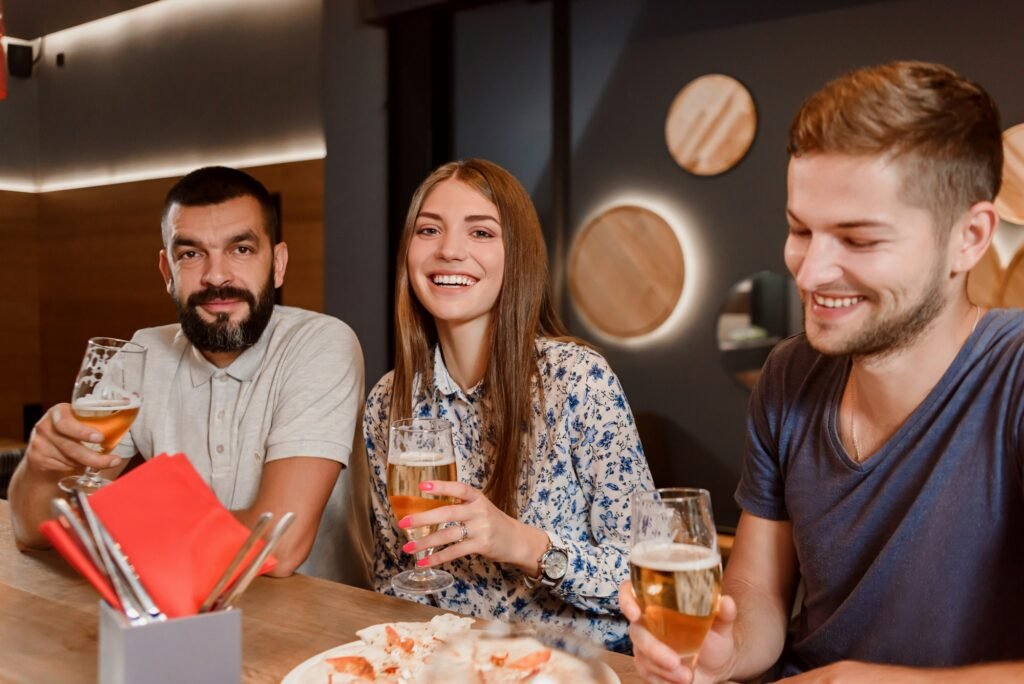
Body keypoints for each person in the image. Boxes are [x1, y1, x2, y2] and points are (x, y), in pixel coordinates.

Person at [622, 60, 1024, 682]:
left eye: (858, 241)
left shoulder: (1014, 375)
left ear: (969, 238)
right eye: (799, 230)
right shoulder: (788, 376)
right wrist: (724, 652)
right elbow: (757, 591)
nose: (808, 274)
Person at [9, 166, 371, 582]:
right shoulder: (139, 354)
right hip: (176, 609)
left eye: (241, 250)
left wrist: (114, 521)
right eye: (191, 254)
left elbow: (278, 546)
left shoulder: (321, 343)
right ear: (167, 272)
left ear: (278, 263)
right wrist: (39, 470)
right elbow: (35, 531)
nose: (216, 276)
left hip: (319, 627)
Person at [364, 158, 653, 650]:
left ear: (517, 255)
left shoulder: (578, 381)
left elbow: (648, 580)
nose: (450, 250)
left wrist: (524, 545)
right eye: (429, 230)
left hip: (576, 669)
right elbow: (394, 575)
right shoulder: (388, 401)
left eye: (481, 233)